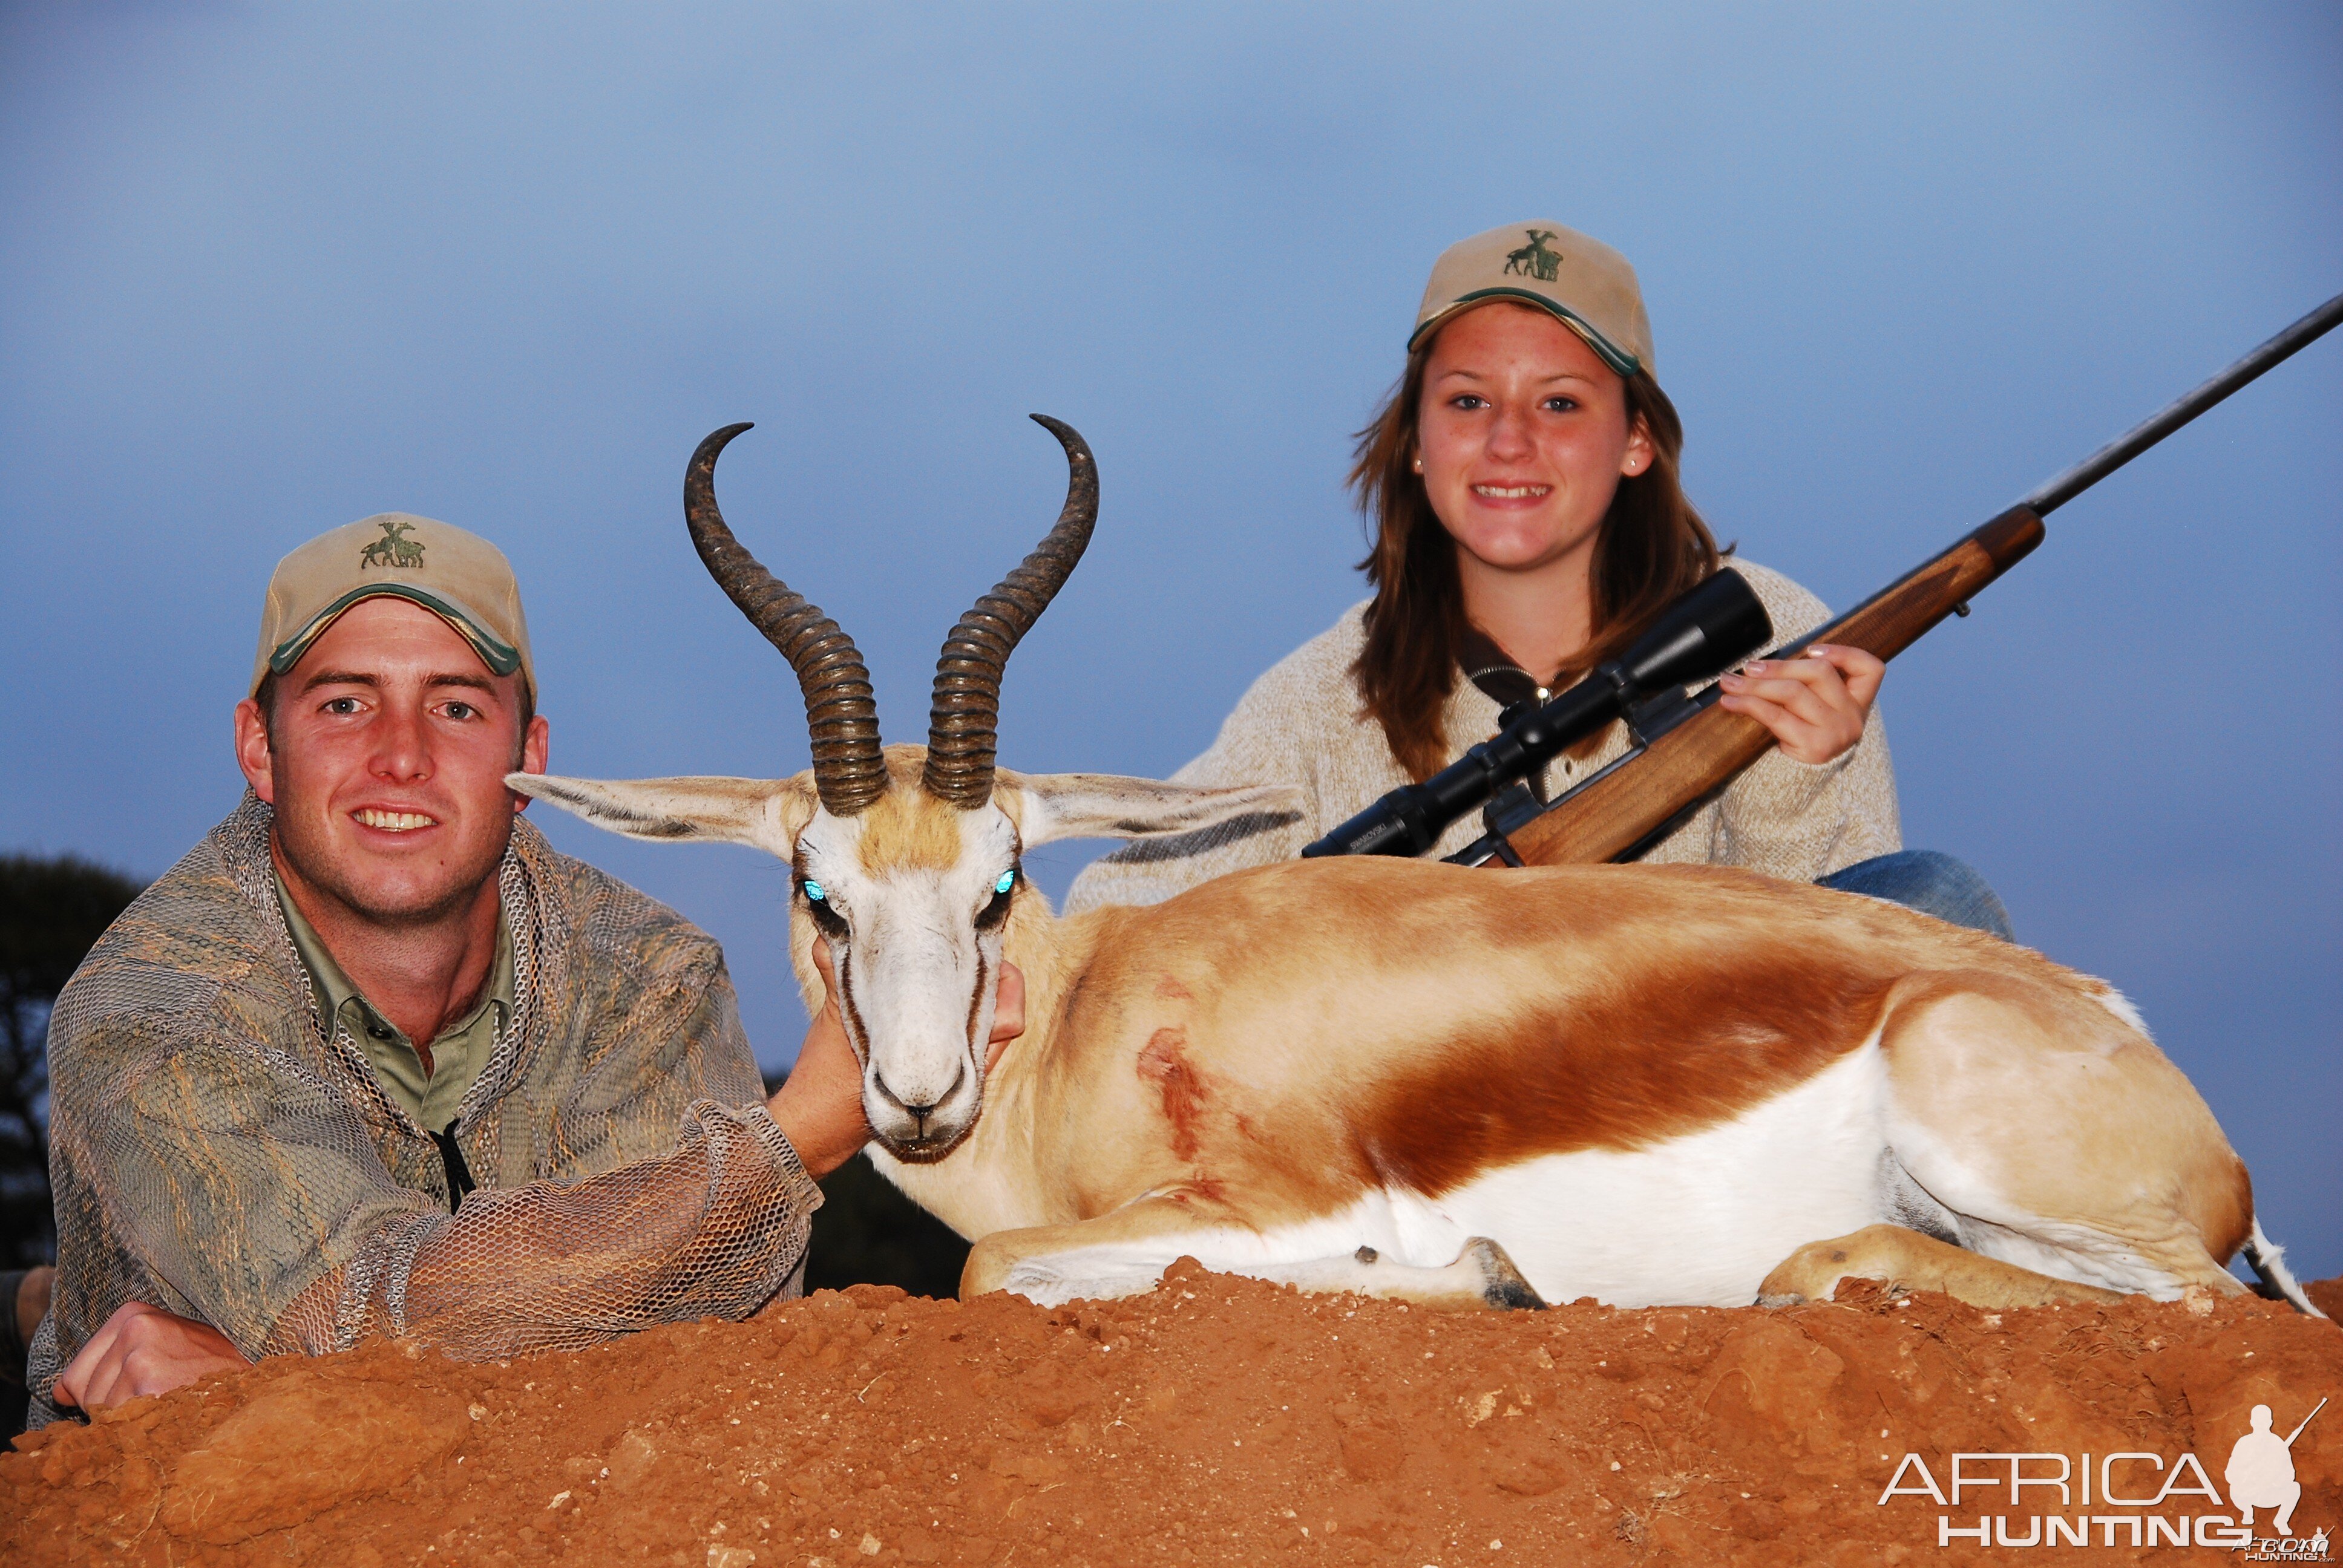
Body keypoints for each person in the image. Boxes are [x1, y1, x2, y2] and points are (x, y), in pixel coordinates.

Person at [28, 514, 1023, 1426]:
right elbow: (375, 1313)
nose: (403, 756)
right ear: (259, 747)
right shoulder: (152, 1012)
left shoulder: (652, 978)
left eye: (457, 708)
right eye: (343, 703)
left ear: (528, 756)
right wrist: (795, 1135)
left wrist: (280, 1378)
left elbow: (691, 1363)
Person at [1069, 221, 2009, 935]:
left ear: (1636, 440)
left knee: (1935, 901)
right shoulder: (1321, 698)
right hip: (1458, 1125)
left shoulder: (1769, 629)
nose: (1509, 441)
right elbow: (1122, 901)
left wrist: (1791, 781)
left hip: (1712, 1077)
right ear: (1417, 445)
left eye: (1560, 403)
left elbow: (1848, 947)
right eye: (1469, 400)